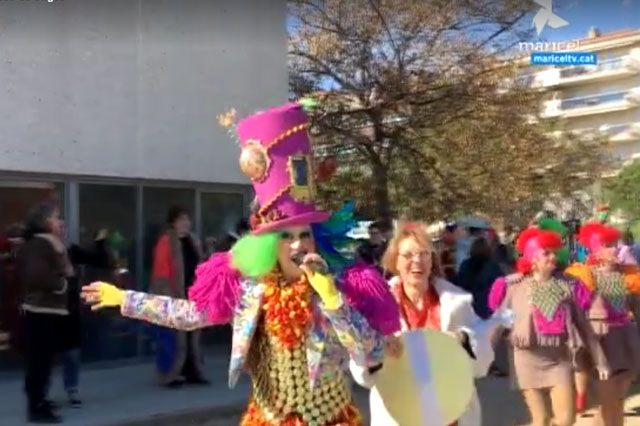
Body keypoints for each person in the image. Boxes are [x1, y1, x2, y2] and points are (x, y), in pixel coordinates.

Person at [81, 100, 399, 425]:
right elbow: (188, 315)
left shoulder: (337, 288)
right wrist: (124, 299)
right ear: (269, 246)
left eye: (305, 234)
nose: (298, 244)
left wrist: (332, 300)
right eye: (286, 237)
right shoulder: (250, 290)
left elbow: (370, 354)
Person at [350, 221, 497, 426]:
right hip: (400, 414)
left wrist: (463, 339)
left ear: (432, 260)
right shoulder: (375, 306)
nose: (417, 261)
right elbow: (362, 374)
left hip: (451, 415)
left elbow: (483, 362)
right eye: (408, 255)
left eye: (424, 254)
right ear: (395, 261)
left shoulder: (456, 302)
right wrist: (377, 352)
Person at [488, 227, 607, 426]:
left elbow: (584, 326)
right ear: (532, 258)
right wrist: (481, 357)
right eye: (546, 253)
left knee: (566, 420)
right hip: (526, 359)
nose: (553, 257)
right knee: (541, 419)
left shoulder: (568, 284)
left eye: (554, 252)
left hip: (558, 359)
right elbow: (498, 323)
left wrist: (600, 361)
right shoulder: (515, 287)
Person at [565, 222, 640, 426]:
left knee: (618, 400)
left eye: (614, 244)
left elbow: (635, 306)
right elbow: (577, 315)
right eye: (607, 245)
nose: (614, 249)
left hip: (625, 338)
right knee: (609, 400)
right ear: (595, 250)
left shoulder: (627, 274)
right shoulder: (584, 276)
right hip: (600, 339)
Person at [17, 203, 70, 423]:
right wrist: (61, 285)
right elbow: (35, 275)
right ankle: (36, 406)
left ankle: (40, 399)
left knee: (44, 360)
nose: (61, 222)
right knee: (39, 360)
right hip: (39, 311)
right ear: (45, 221)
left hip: (47, 310)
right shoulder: (39, 244)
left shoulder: (48, 244)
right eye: (57, 217)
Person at [56, 229, 115, 408]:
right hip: (49, 307)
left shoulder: (71, 251)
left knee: (72, 351)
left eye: (63, 230)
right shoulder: (44, 251)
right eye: (58, 229)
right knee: (43, 353)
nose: (62, 233)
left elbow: (100, 260)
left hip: (70, 308)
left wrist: (100, 244)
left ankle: (72, 388)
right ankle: (39, 395)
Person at [150, 206, 207, 387]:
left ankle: (192, 370)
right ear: (173, 222)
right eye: (181, 220)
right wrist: (168, 297)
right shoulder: (166, 242)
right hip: (174, 295)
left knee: (192, 336)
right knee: (172, 338)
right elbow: (161, 272)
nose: (185, 223)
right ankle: (170, 375)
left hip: (193, 296)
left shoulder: (193, 241)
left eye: (187, 219)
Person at [455, 237, 503, 320]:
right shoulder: (493, 266)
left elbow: (460, 284)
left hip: (468, 307)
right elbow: (500, 286)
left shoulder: (465, 265)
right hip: (487, 307)